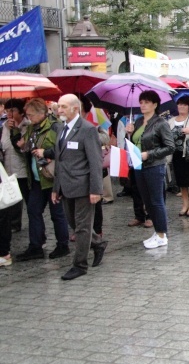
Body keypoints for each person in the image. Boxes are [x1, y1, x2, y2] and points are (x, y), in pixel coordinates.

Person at [47, 94, 106, 280]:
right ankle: (98, 243)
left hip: (83, 186)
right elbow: (60, 161)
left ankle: (80, 265)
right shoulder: (62, 129)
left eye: (64, 106)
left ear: (75, 108)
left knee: (81, 227)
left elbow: (95, 162)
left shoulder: (87, 130)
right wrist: (56, 188)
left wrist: (96, 190)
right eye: (59, 106)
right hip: (66, 186)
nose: (60, 110)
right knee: (74, 223)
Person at [14, 99, 70, 262]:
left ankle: (62, 245)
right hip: (37, 178)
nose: (29, 117)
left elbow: (63, 149)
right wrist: (16, 136)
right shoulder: (31, 128)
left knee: (57, 213)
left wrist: (46, 151)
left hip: (52, 178)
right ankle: (36, 246)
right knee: (33, 211)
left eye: (31, 114)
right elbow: (23, 147)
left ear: (41, 113)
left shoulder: (55, 126)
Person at [125, 90, 175, 249]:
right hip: (138, 165)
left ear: (154, 104)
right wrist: (129, 134)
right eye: (141, 102)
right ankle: (157, 231)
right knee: (147, 201)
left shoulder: (160, 123)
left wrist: (149, 154)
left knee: (156, 201)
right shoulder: (139, 122)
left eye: (146, 102)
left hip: (154, 166)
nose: (143, 105)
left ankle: (162, 234)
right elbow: (135, 143)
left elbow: (170, 146)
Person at [1, 98, 30, 232]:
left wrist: (15, 131)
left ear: (21, 112)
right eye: (7, 111)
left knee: (26, 198)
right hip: (7, 167)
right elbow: (4, 145)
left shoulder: (27, 125)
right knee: (11, 197)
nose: (9, 114)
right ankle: (13, 223)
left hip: (23, 168)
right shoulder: (4, 127)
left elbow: (21, 149)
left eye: (12, 110)